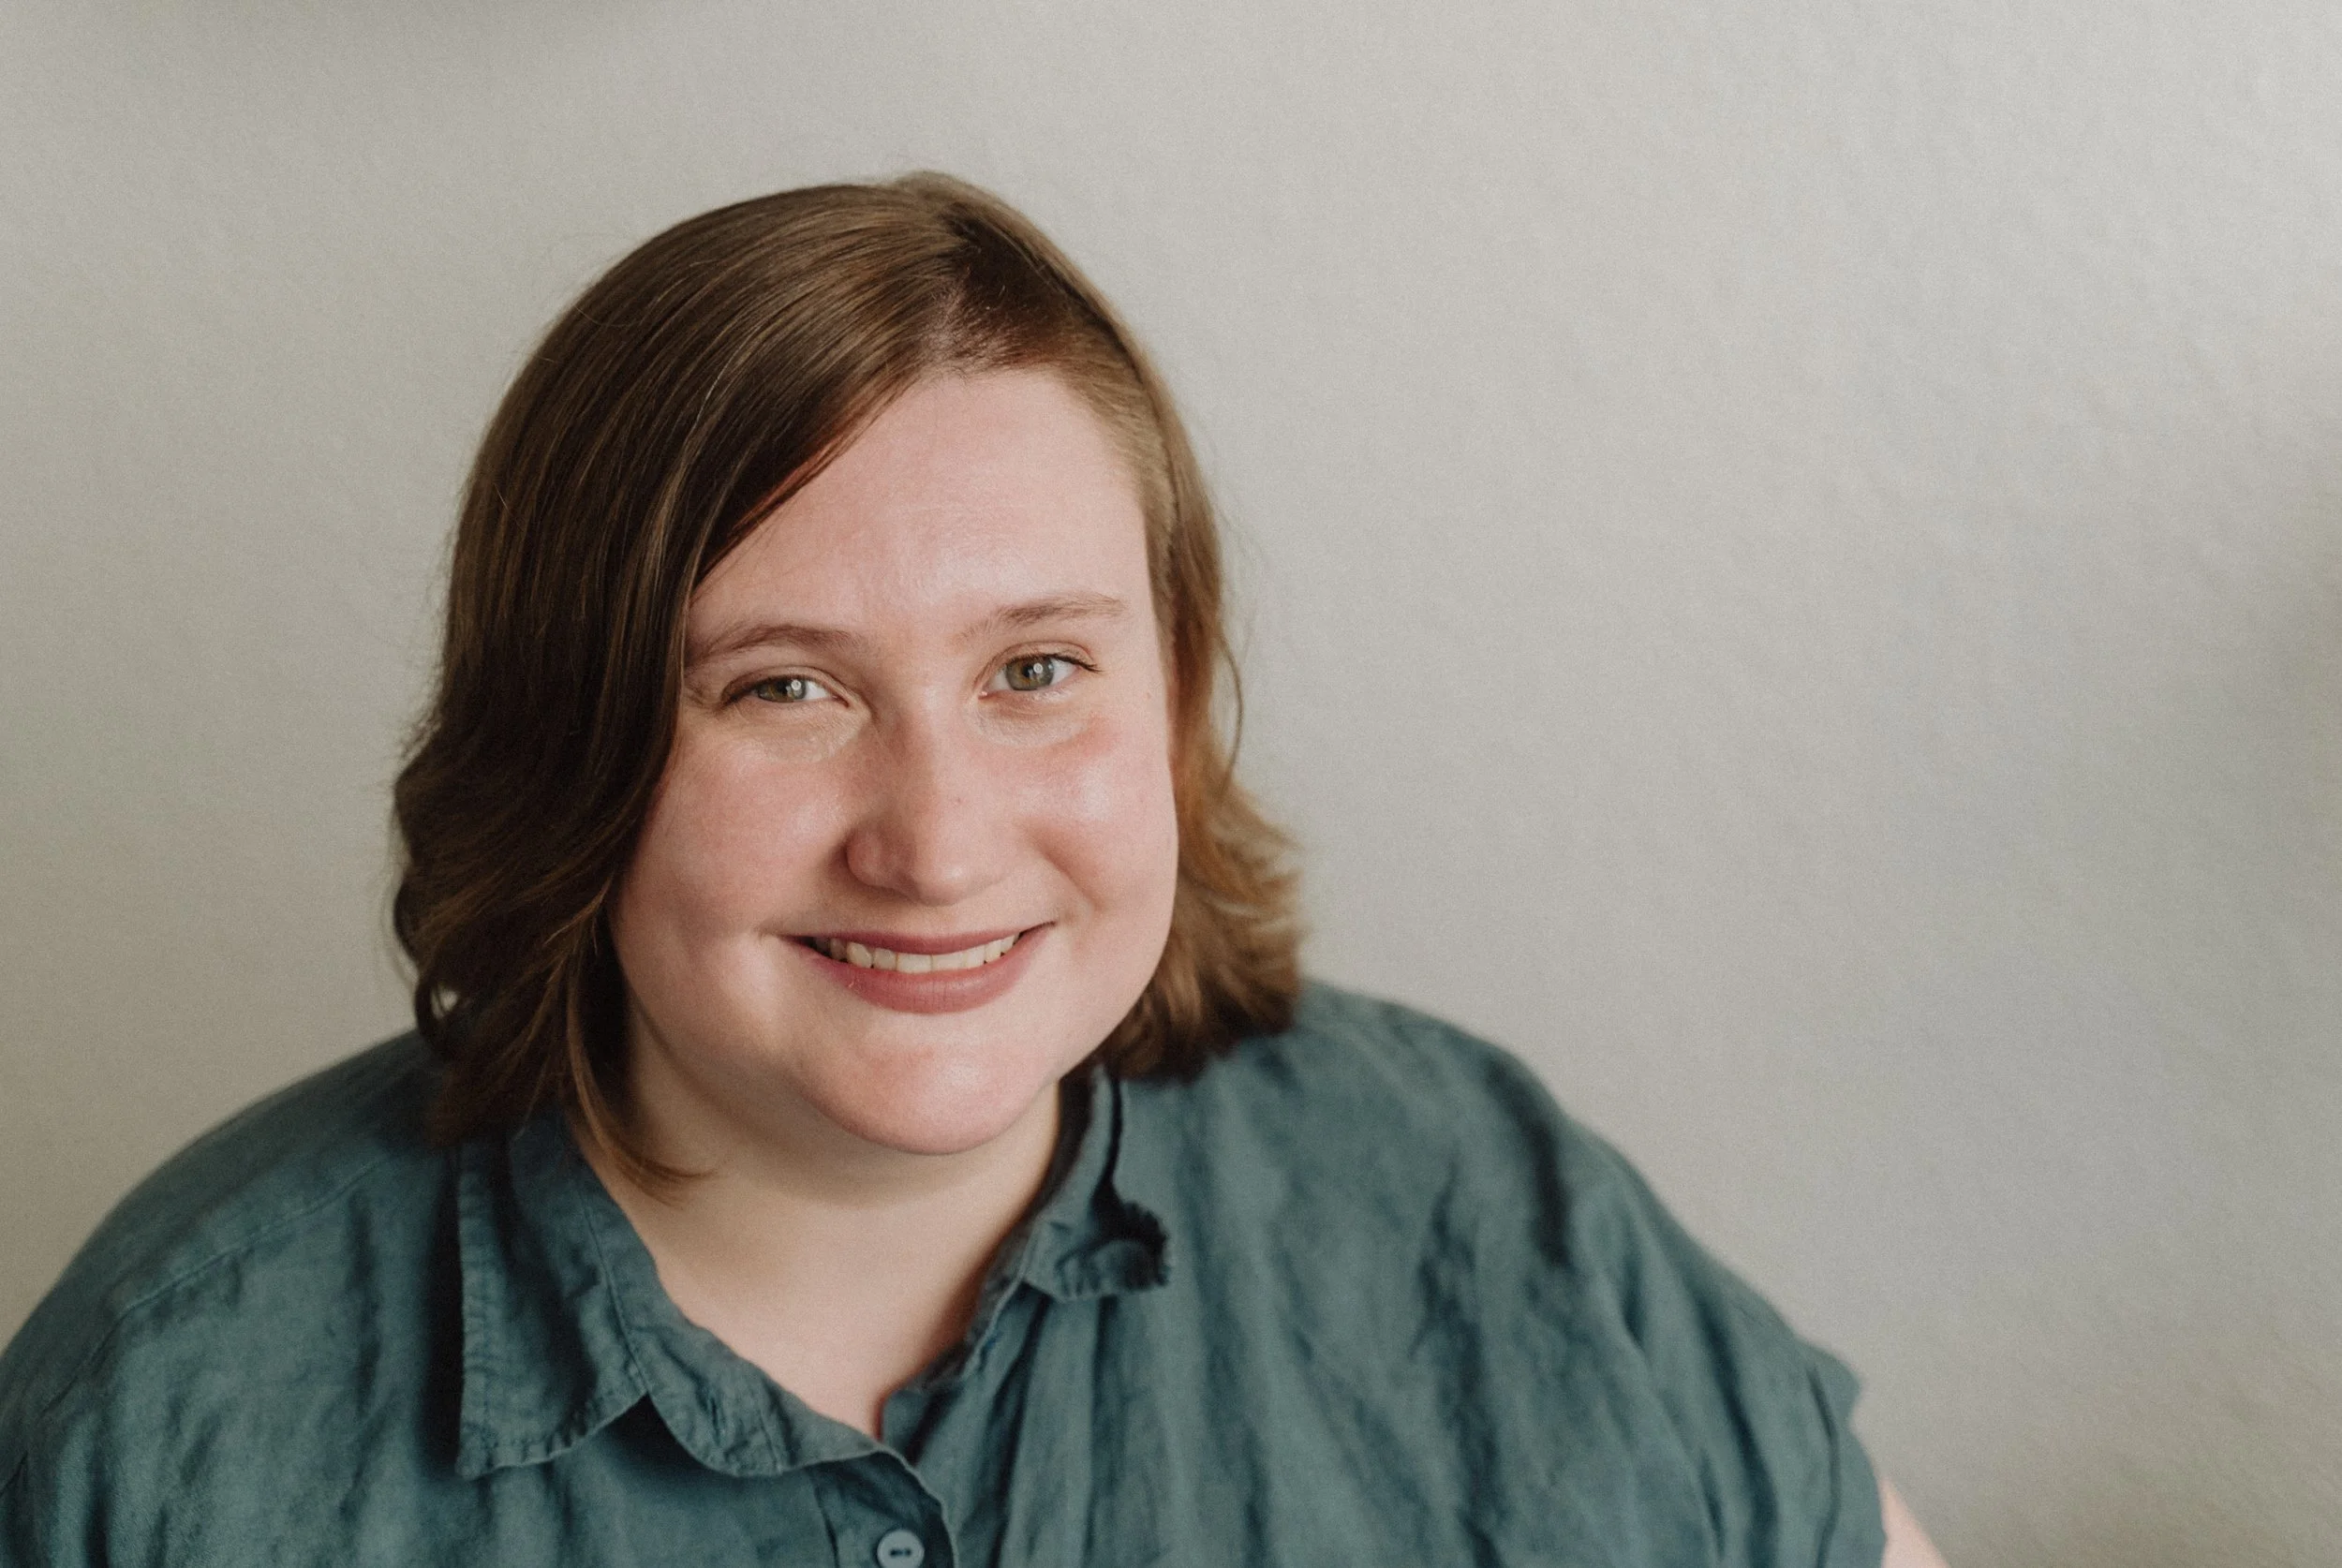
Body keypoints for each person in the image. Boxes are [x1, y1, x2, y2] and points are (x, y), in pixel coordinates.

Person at [0, 174, 1947, 1567]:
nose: (931, 842)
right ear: (570, 744)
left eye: (1034, 670)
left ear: (1172, 706)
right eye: (780, 688)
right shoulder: (172, 1409)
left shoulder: (1488, 1210)